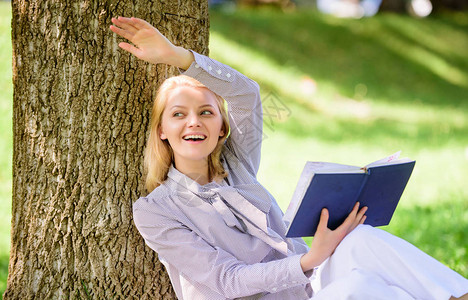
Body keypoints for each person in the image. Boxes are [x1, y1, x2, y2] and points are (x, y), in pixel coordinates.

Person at [109, 16, 468, 300]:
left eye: (206, 112)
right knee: (360, 291)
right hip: (291, 285)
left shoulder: (237, 165)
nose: (193, 122)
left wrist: (177, 57)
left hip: (309, 289)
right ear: (161, 131)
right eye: (178, 114)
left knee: (362, 242)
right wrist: (310, 259)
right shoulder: (156, 210)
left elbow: (246, 94)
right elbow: (225, 280)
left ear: (221, 128)